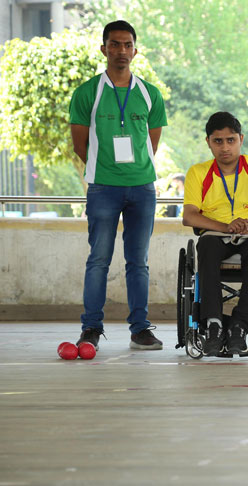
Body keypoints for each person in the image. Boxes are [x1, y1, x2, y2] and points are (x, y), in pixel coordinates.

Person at [70, 20, 167, 351]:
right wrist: (106, 170)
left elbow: (151, 144)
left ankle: (140, 328)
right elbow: (79, 144)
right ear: (103, 49)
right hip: (103, 189)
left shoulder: (150, 93)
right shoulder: (86, 93)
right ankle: (91, 328)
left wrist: (133, 172)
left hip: (143, 189)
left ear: (135, 51)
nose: (121, 51)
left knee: (137, 261)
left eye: (127, 45)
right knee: (98, 259)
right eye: (114, 44)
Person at [182, 112, 248, 356]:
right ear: (208, 142)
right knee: (206, 247)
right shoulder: (198, 173)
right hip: (217, 233)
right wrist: (226, 227)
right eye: (218, 141)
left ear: (241, 139)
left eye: (230, 140)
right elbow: (189, 216)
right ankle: (214, 325)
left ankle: (240, 325)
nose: (225, 147)